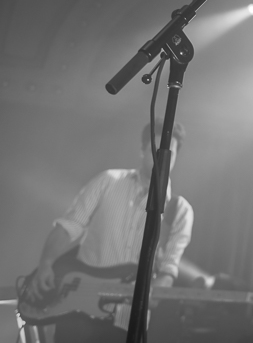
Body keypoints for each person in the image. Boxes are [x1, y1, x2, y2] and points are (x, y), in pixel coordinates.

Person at [24, 119, 195, 343]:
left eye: (169, 154)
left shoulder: (179, 210)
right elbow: (68, 227)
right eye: (155, 151)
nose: (162, 159)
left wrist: (157, 291)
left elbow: (168, 269)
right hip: (77, 310)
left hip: (126, 320)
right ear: (142, 150)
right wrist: (46, 263)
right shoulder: (108, 181)